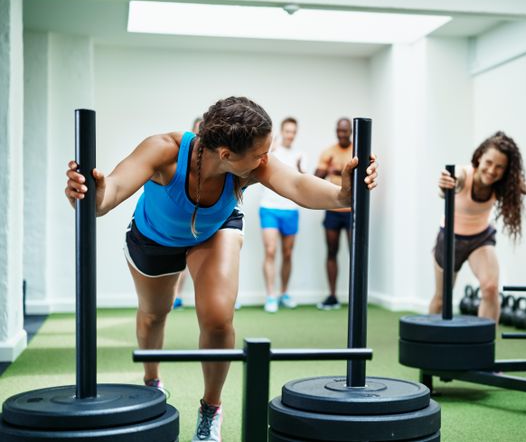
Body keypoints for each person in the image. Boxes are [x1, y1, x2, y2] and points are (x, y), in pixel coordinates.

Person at [64, 97, 378, 442]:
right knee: (155, 313)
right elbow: (109, 195)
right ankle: (152, 381)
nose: (265, 159)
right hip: (154, 236)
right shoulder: (164, 151)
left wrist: (343, 194)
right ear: (226, 154)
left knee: (216, 316)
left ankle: (210, 407)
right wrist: (93, 194)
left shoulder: (254, 166)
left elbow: (299, 185)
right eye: (259, 152)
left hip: (215, 231)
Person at [428, 131, 526, 322]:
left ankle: (486, 347)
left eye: (499, 167)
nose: (492, 170)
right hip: (450, 239)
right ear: (479, 158)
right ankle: (430, 347)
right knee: (441, 298)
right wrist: (445, 185)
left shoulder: (504, 183)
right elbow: (451, 185)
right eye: (488, 163)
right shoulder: (464, 174)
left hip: (480, 239)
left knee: (490, 288)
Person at [259, 117, 305, 313]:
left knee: (287, 253)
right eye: (287, 131)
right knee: (270, 251)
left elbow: (303, 180)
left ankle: (284, 293)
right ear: (282, 131)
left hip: (291, 210)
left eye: (293, 131)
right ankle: (270, 295)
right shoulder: (271, 151)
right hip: (269, 207)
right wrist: (271, 147)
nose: (290, 135)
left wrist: (301, 169)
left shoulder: (300, 155)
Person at [314, 118, 354, 310]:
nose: (342, 134)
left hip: (352, 211)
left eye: (345, 131)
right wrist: (328, 170)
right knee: (331, 251)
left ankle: (356, 295)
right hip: (332, 210)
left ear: (351, 132)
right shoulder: (328, 152)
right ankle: (332, 296)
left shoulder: (357, 152)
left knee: (355, 253)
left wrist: (339, 171)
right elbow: (316, 177)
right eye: (339, 130)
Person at [173, 117, 204, 310]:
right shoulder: (183, 155)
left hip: (206, 215)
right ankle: (175, 295)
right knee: (179, 258)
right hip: (184, 212)